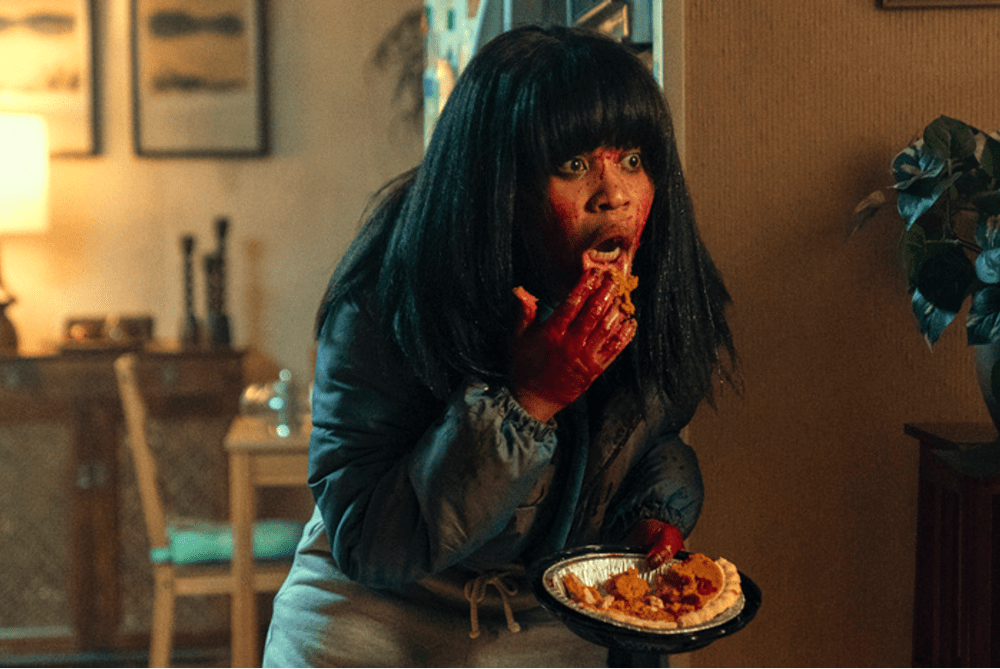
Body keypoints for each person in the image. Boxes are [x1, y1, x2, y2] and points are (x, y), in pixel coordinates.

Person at [263, 24, 736, 668]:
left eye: (631, 158)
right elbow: (368, 537)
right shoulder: (385, 297)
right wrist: (528, 399)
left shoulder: (656, 287)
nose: (615, 193)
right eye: (573, 165)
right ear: (497, 187)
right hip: (378, 609)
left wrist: (650, 517)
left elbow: (649, 440)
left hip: (547, 610)